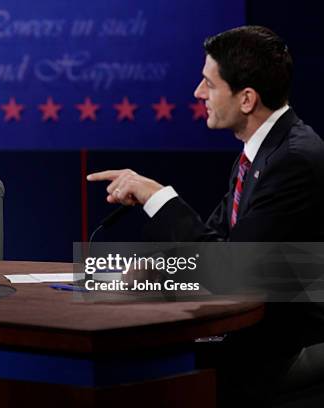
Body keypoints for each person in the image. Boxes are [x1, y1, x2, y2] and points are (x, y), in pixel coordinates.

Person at [88, 26, 324, 405]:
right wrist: (150, 270)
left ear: (246, 99)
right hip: (254, 327)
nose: (199, 94)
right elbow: (216, 242)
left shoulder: (292, 160)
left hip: (281, 344)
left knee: (146, 373)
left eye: (208, 85)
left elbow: (230, 270)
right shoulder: (259, 152)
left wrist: (157, 196)